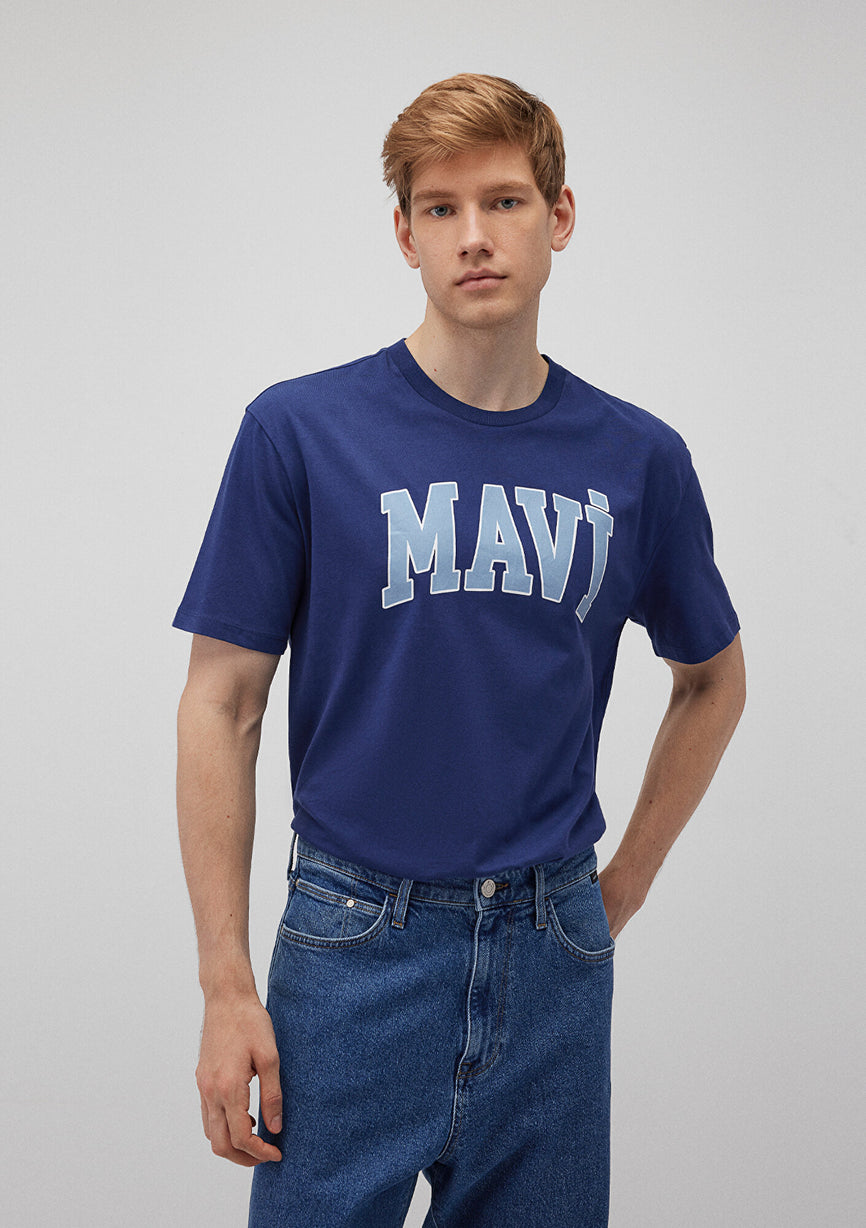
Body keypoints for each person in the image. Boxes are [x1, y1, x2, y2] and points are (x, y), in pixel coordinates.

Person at [174, 73, 746, 1228]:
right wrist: (226, 981)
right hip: (352, 945)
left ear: (558, 216)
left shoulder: (637, 458)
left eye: (503, 201)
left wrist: (615, 890)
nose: (472, 236)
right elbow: (222, 703)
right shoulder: (300, 431)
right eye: (439, 209)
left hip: (550, 956)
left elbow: (711, 680)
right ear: (404, 234)